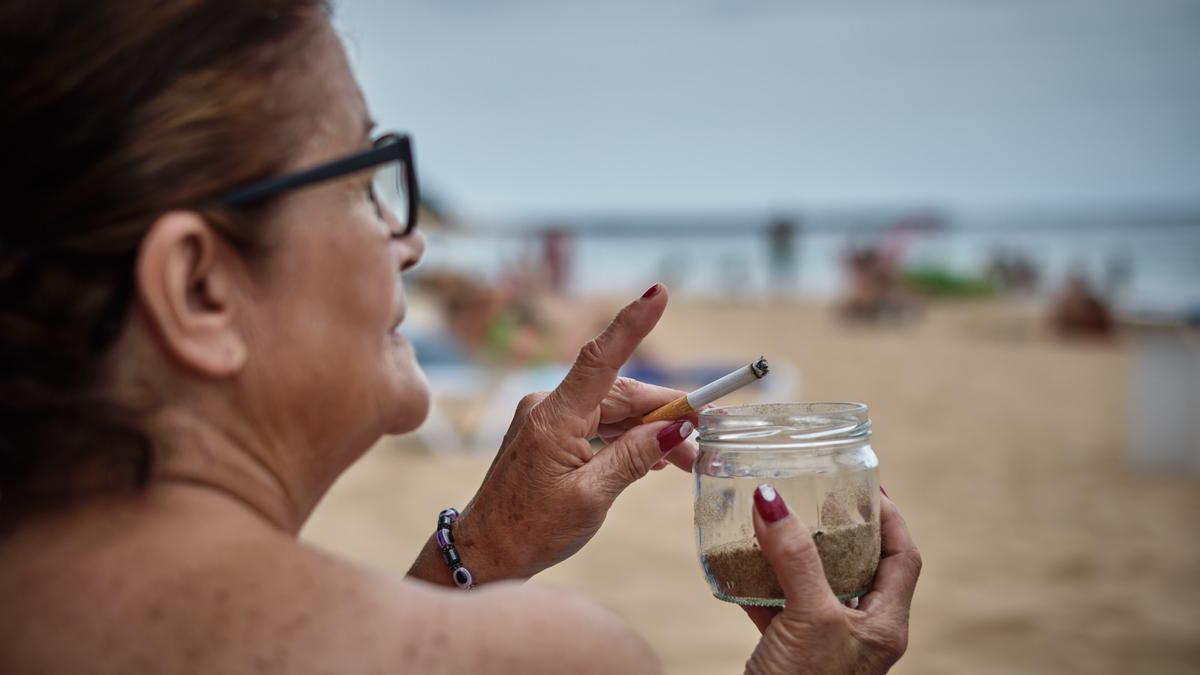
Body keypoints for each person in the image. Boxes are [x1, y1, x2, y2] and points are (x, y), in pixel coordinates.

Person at [0, 2, 921, 673]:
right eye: (364, 179)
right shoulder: (541, 658)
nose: (411, 240)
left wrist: (483, 543)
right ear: (199, 288)